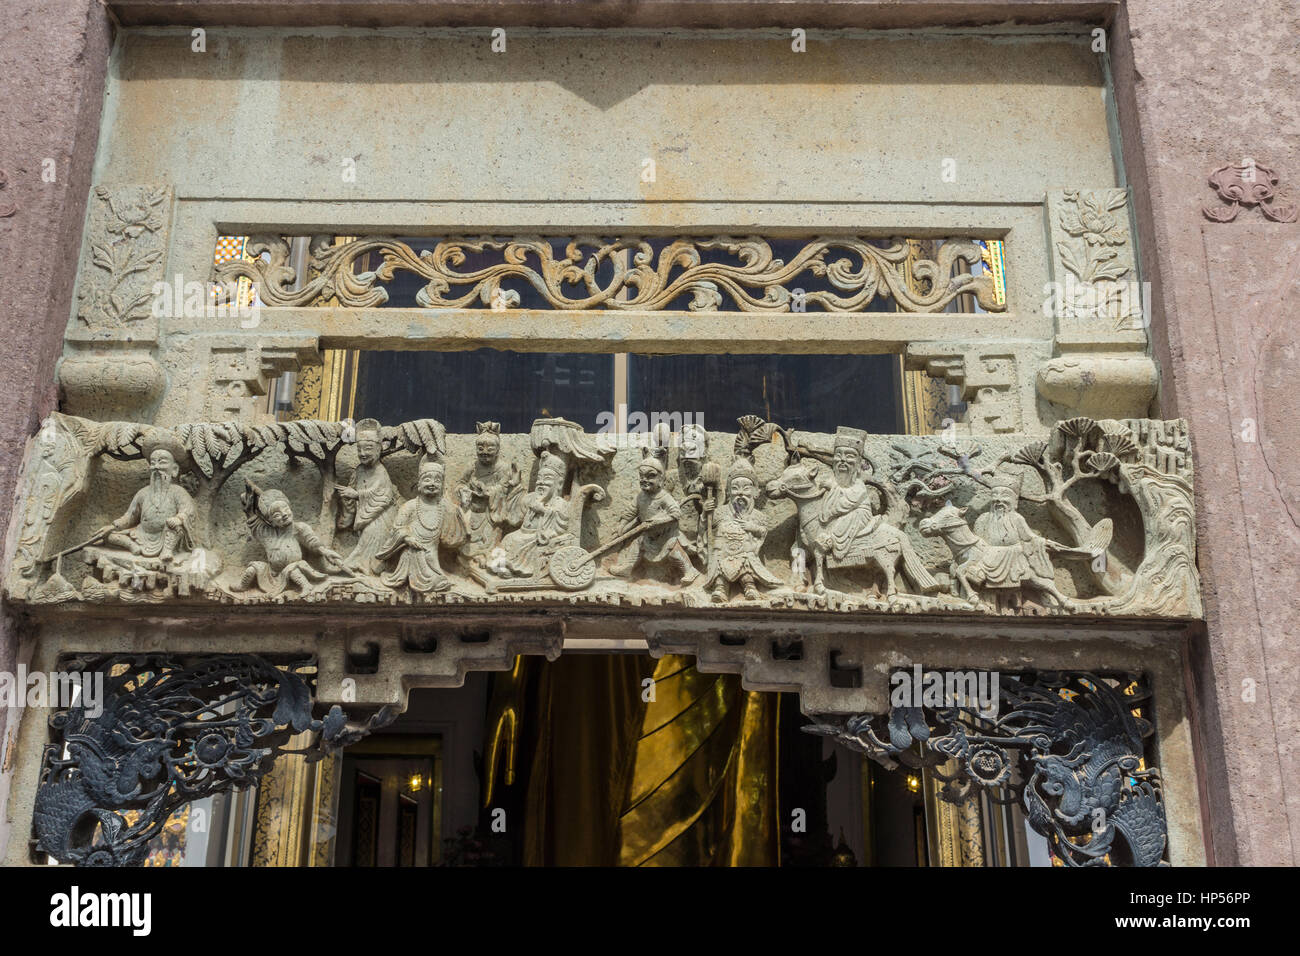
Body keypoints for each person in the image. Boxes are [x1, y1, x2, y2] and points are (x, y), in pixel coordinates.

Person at [98, 433, 196, 567]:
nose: (156, 467)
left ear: (174, 469)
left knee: (176, 526)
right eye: (153, 463)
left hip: (166, 535)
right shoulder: (143, 493)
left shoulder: (178, 492)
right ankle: (131, 545)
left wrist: (179, 518)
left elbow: (187, 510)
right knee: (109, 535)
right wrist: (113, 526)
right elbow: (130, 516)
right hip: (141, 535)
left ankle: (167, 551)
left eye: (162, 462)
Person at [378, 459, 467, 593]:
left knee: (439, 581)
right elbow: (397, 529)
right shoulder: (410, 506)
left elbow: (452, 535)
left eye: (437, 481)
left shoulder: (444, 508)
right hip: (411, 555)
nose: (432, 484)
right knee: (430, 577)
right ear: (419, 483)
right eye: (427, 479)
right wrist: (407, 539)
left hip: (432, 557)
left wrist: (464, 507)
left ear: (442, 485)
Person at [609, 454, 698, 584]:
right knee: (637, 545)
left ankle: (690, 571)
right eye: (641, 476)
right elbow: (630, 512)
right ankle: (627, 568)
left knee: (674, 552)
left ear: (661, 479)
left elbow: (676, 513)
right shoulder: (640, 497)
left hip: (667, 536)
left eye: (651, 476)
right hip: (649, 536)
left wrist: (657, 521)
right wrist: (622, 526)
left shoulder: (664, 497)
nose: (645, 479)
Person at [703, 457, 782, 602]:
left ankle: (749, 586)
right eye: (735, 488)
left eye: (746, 489)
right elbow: (707, 529)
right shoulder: (720, 512)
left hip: (746, 552)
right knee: (720, 572)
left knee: (747, 571)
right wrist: (704, 514)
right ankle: (720, 588)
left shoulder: (759, 516)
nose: (740, 493)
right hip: (722, 553)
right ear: (728, 492)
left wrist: (752, 527)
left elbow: (763, 532)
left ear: (755, 492)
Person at [455, 421, 524, 568]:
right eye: (480, 448)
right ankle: (471, 560)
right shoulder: (472, 466)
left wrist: (488, 491)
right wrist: (463, 491)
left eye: (490, 448)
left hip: (491, 514)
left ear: (497, 450)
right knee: (468, 540)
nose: (484, 452)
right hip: (474, 511)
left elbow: (503, 488)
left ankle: (488, 559)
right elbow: (460, 483)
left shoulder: (503, 468)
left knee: (489, 542)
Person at [336, 418, 399, 574]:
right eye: (359, 449)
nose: (363, 453)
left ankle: (367, 566)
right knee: (365, 539)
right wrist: (347, 496)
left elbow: (384, 496)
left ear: (378, 448)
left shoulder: (380, 471)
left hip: (381, 517)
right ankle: (358, 564)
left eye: (368, 449)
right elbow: (352, 488)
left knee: (371, 537)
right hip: (368, 515)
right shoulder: (359, 470)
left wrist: (357, 495)